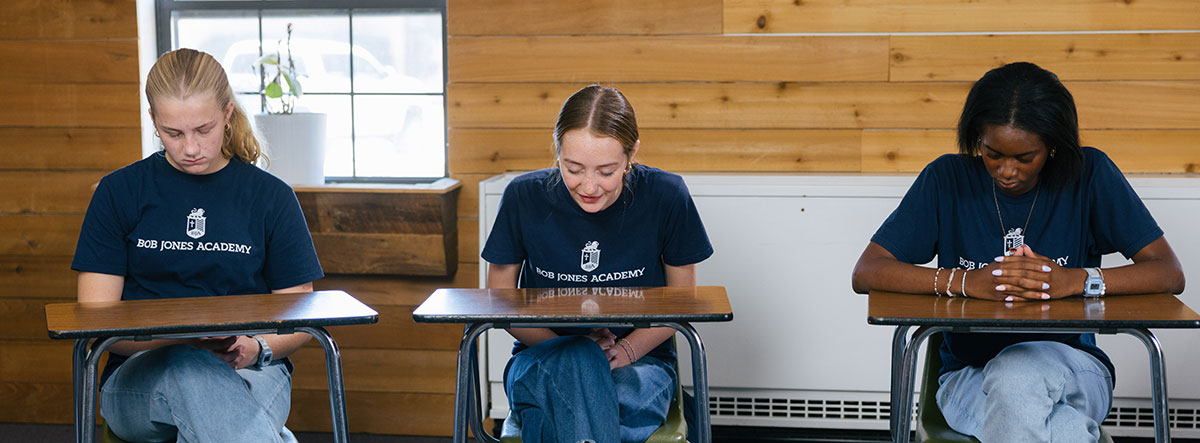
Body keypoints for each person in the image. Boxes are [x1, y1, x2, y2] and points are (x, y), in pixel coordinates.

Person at [851, 62, 1185, 442]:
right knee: (1061, 430)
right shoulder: (947, 179)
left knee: (1016, 373)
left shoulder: (1089, 174)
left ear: (1053, 146)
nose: (1007, 171)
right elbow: (867, 271)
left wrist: (1074, 280)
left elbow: (1168, 272)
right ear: (978, 137)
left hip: (1075, 370)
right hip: (968, 378)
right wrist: (965, 282)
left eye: (1026, 158)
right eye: (993, 153)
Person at [71, 48, 324, 442]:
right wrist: (184, 341)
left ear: (226, 113)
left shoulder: (271, 197)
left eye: (203, 130)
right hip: (140, 374)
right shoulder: (118, 192)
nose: (190, 148)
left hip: (252, 370)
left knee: (209, 403)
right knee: (190, 368)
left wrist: (256, 347)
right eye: (174, 133)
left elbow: (301, 319)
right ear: (154, 120)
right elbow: (95, 324)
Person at [482, 85, 713, 443]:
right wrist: (578, 351)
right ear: (557, 150)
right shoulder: (523, 195)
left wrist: (626, 350)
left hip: (637, 365)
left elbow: (681, 303)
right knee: (579, 383)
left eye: (606, 171)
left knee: (561, 404)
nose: (589, 186)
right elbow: (500, 303)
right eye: (573, 168)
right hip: (543, 355)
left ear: (631, 153)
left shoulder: (667, 195)